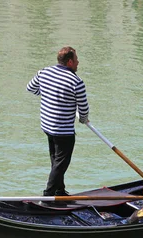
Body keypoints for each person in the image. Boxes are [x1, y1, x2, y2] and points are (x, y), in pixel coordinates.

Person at [26, 46, 89, 197]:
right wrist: (83, 119)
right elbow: (84, 109)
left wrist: (49, 95)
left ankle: (59, 191)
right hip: (63, 131)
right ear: (69, 62)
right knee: (61, 164)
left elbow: (31, 88)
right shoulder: (76, 81)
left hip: (47, 125)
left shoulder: (44, 72)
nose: (78, 62)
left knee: (55, 160)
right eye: (76, 60)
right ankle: (48, 195)